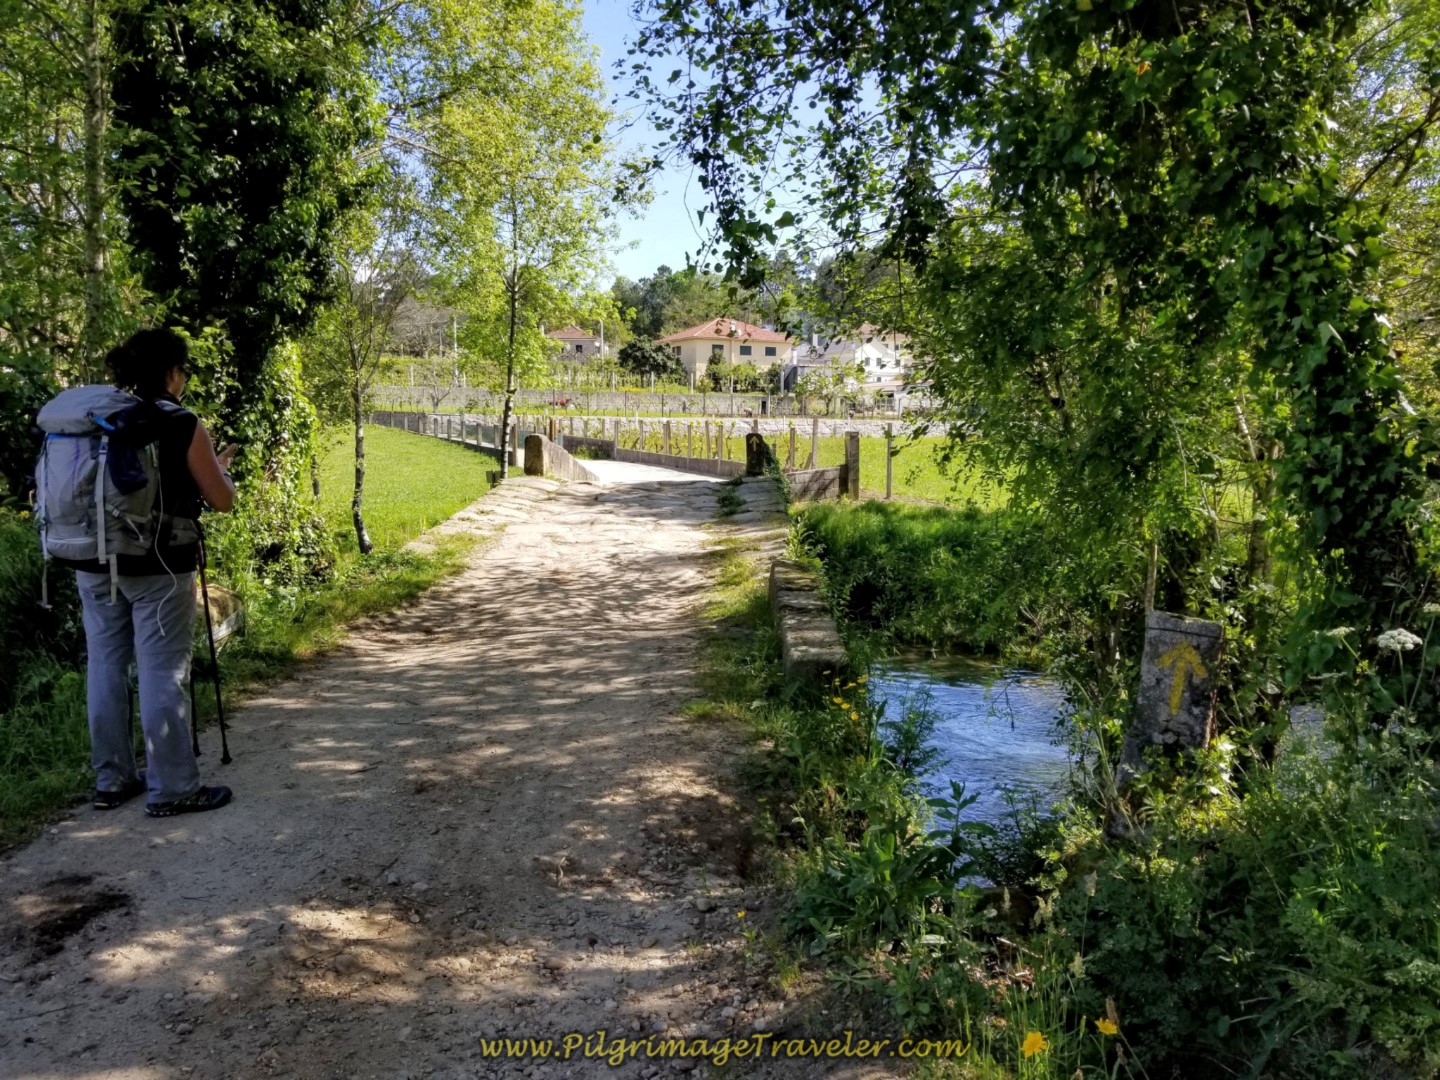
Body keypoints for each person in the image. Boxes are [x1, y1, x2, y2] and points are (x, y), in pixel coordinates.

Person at [56, 328, 238, 816]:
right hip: (159, 567)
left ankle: (113, 781)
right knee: (161, 670)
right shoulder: (181, 423)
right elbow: (220, 500)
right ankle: (174, 789)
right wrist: (222, 470)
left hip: (92, 562)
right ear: (172, 372)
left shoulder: (99, 418)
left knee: (106, 665)